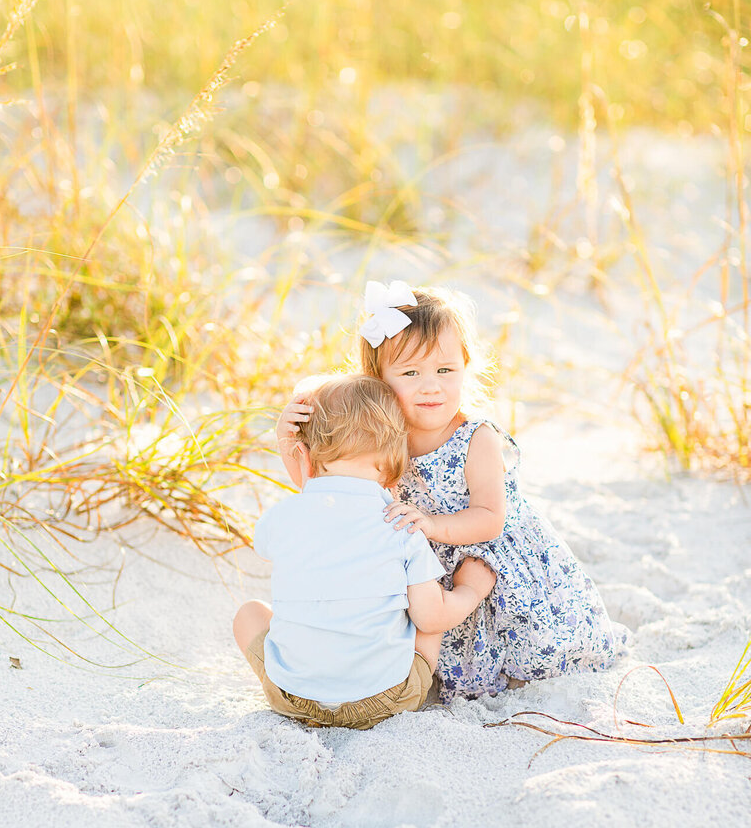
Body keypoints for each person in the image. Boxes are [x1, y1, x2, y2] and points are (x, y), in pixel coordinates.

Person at [277, 281, 626, 704]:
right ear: (378, 381)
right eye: (410, 373)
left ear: (465, 367)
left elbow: (490, 517)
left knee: (533, 651)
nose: (431, 387)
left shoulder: (475, 437)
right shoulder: (381, 437)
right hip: (421, 569)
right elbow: (331, 496)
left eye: (445, 371)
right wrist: (287, 438)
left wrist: (431, 525)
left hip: (481, 558)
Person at [235, 374, 495, 728]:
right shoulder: (400, 525)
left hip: (293, 696)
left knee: (249, 613)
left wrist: (289, 445)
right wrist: (470, 590)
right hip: (384, 700)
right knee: (424, 614)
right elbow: (432, 619)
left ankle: (308, 678)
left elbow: (267, 545)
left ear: (304, 459)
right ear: (394, 469)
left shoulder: (281, 517)